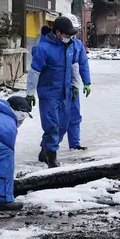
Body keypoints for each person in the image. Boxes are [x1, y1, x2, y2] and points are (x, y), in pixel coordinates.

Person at [27, 15, 85, 168]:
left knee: (64, 125)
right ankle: (51, 156)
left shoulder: (70, 45)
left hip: (65, 92)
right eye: (67, 34)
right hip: (49, 92)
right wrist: (30, 92)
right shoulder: (43, 48)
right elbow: (34, 72)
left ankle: (44, 149)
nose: (70, 37)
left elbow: (74, 66)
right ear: (58, 33)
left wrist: (74, 84)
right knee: (52, 125)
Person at [65, 14, 92, 152]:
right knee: (56, 119)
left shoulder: (77, 44)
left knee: (74, 114)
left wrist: (86, 82)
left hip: (72, 85)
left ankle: (74, 143)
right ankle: (49, 148)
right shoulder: (52, 44)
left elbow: (83, 63)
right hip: (55, 87)